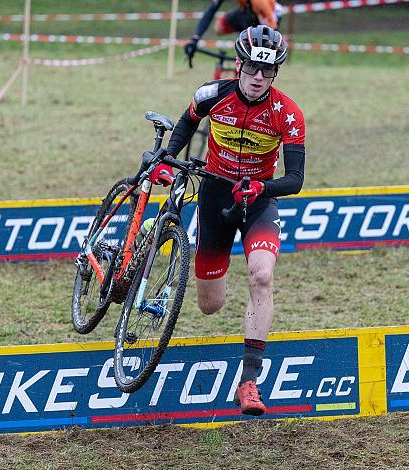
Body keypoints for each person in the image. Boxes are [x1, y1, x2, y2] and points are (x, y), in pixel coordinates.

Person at [156, 25, 305, 416]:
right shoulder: (212, 94)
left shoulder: (287, 114)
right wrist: (171, 158)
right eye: (254, 68)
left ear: (276, 74)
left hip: (257, 202)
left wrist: (260, 187)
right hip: (214, 196)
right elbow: (187, 122)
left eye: (268, 71)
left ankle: (249, 382)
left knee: (261, 275)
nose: (259, 77)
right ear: (238, 64)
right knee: (210, 304)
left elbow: (295, 180)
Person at [184, 0, 285, 61]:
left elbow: (274, 31)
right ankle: (243, 39)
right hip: (245, 11)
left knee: (260, 39)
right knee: (219, 28)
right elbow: (211, 10)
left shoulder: (260, 3)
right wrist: (195, 38)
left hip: (265, 16)